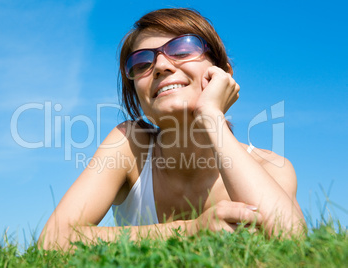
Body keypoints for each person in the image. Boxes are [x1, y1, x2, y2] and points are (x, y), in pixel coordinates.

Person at [39, 8, 306, 250]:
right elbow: (53, 240)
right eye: (141, 63)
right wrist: (191, 230)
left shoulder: (271, 166)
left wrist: (211, 116)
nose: (161, 66)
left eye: (182, 49)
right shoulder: (130, 145)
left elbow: (292, 241)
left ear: (223, 73)